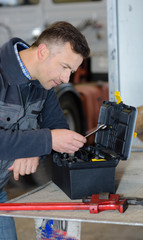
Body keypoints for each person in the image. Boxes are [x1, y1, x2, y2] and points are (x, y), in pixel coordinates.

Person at [0, 21, 90, 239]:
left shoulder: (44, 82)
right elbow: (51, 137)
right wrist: (45, 140)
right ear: (42, 51)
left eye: (72, 71)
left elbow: (58, 128)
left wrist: (32, 148)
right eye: (65, 67)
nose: (66, 79)